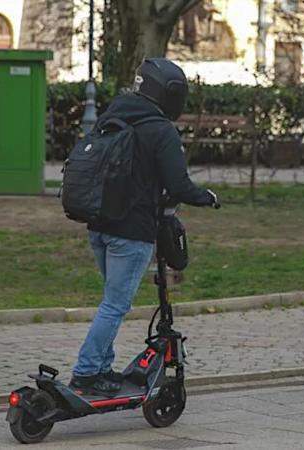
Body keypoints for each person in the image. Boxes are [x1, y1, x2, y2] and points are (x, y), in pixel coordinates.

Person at [70, 58, 219, 393]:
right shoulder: (160, 129)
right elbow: (179, 185)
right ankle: (87, 372)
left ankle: (102, 369)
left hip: (98, 226)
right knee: (116, 304)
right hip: (131, 231)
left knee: (111, 301)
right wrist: (206, 197)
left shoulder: (113, 116)